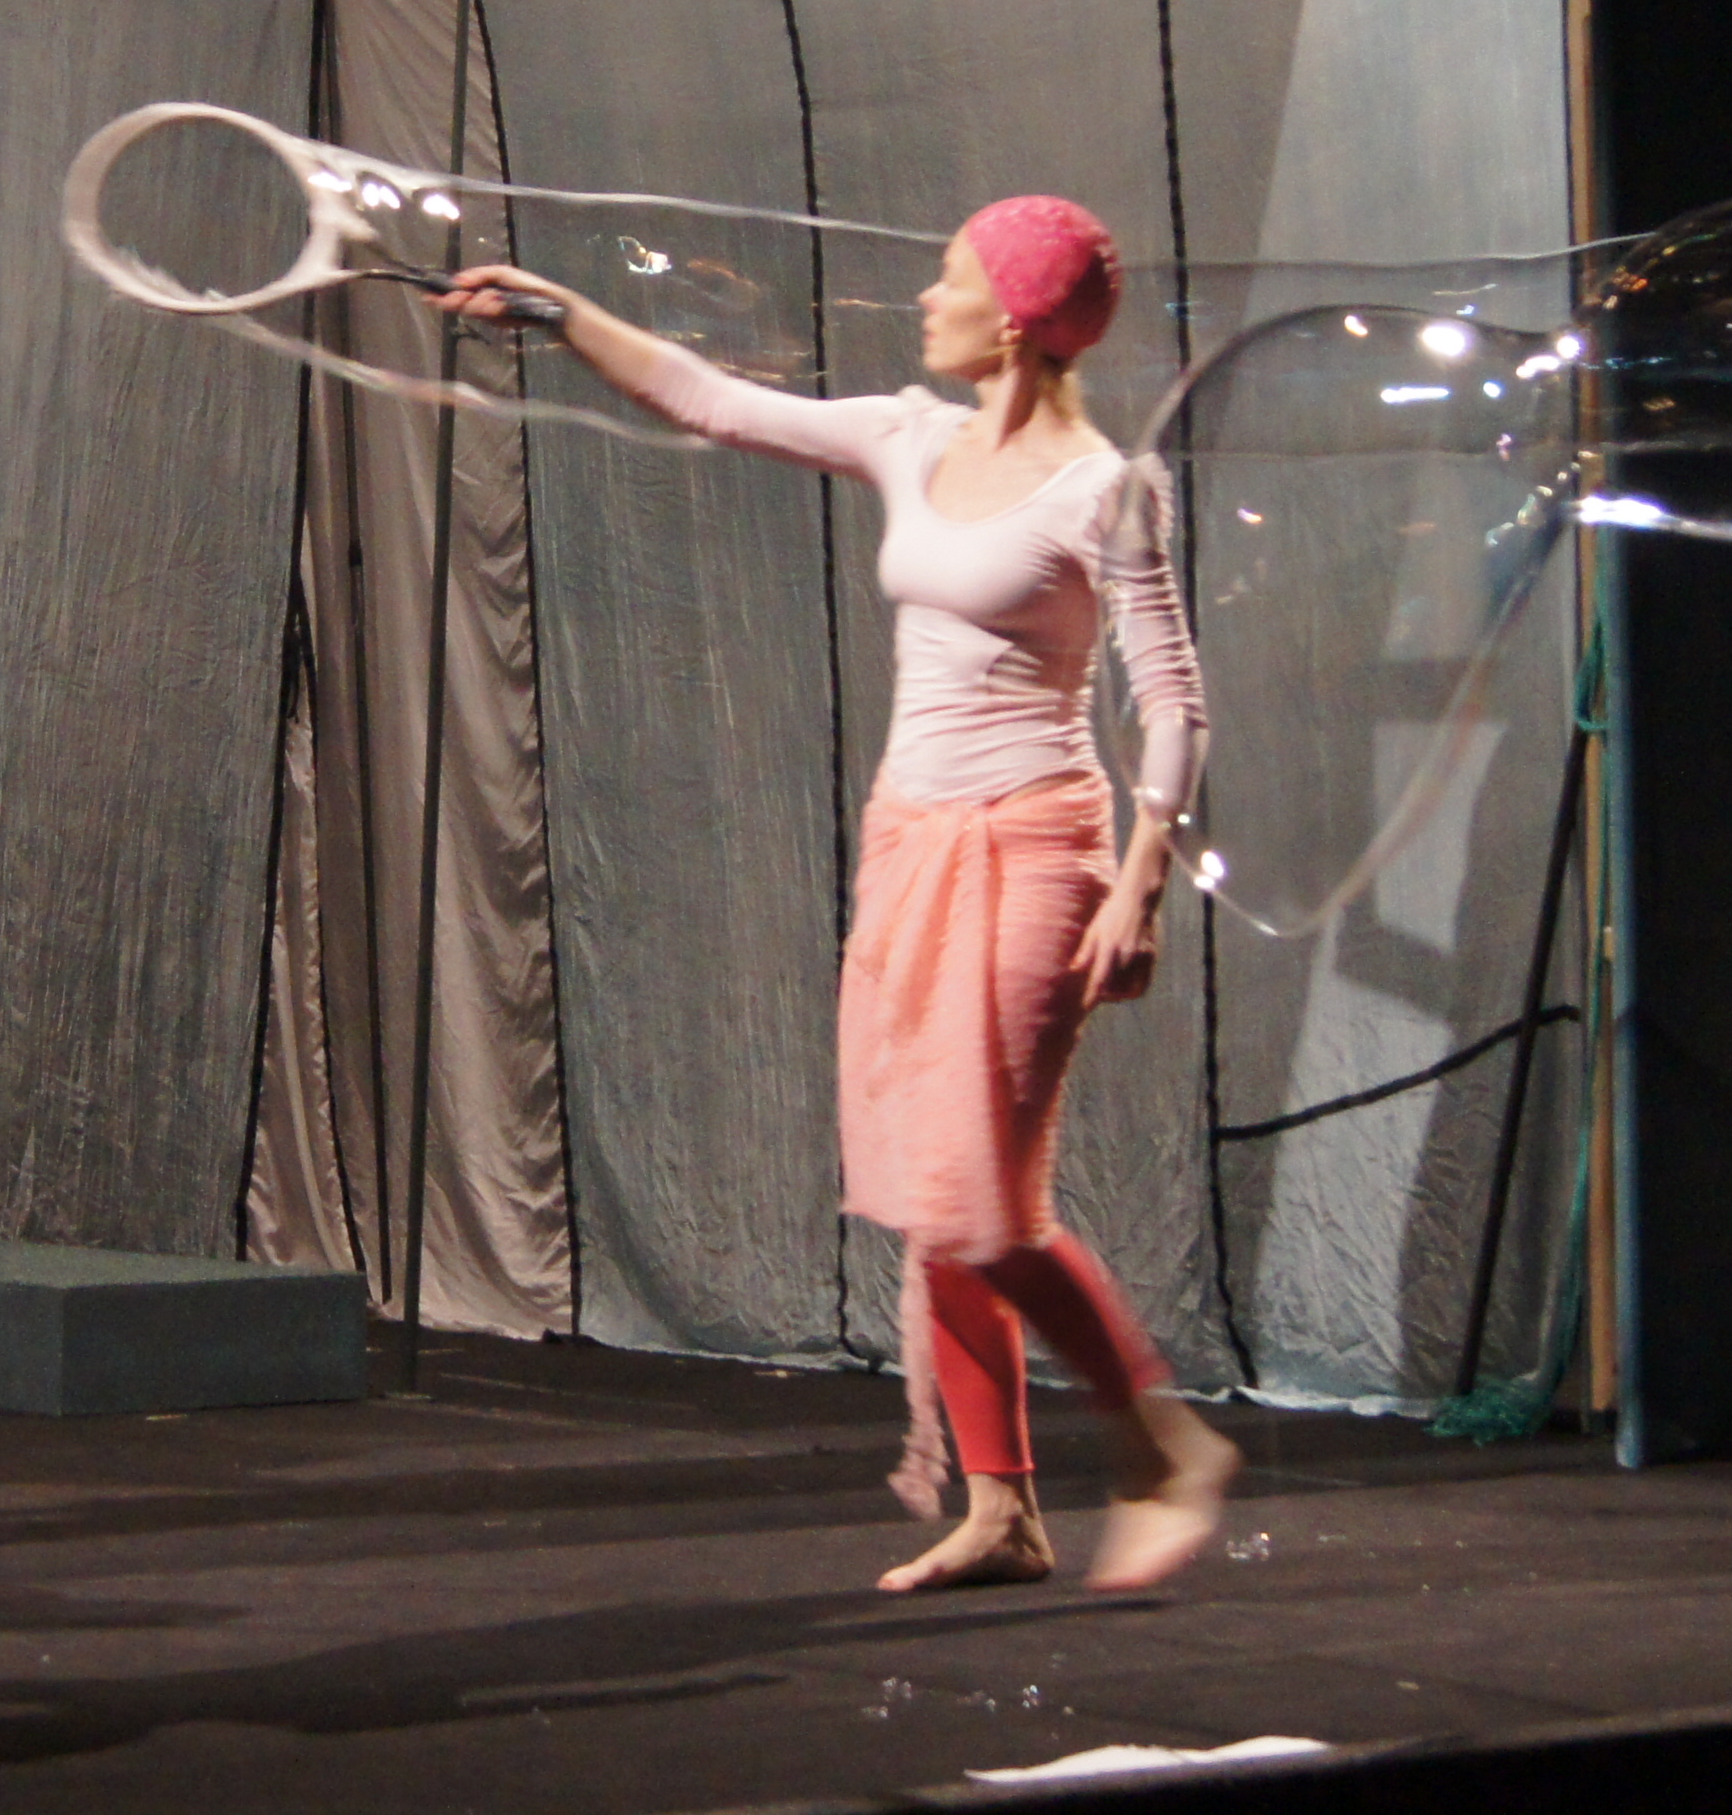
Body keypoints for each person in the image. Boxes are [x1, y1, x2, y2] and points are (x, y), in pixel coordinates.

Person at [435, 198, 1242, 1595]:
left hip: (1037, 849)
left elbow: (1170, 694)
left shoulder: (1104, 488)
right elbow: (708, 396)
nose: (926, 298)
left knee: (982, 1198)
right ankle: (1003, 1510)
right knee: (942, 1194)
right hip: (910, 842)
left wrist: (1144, 881)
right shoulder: (907, 436)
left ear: (1017, 317)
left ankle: (1163, 1443)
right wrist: (559, 313)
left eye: (951, 277)